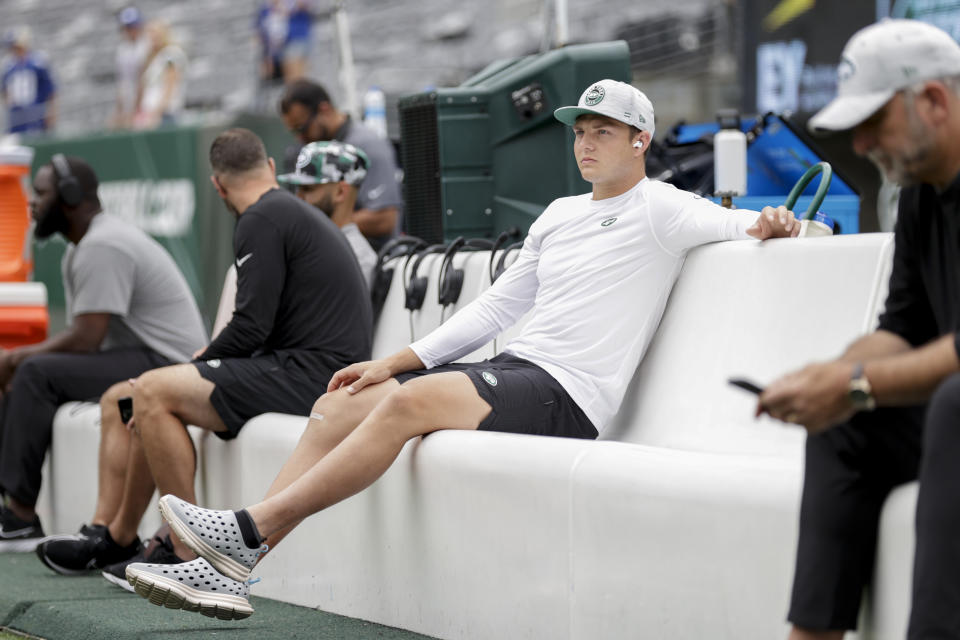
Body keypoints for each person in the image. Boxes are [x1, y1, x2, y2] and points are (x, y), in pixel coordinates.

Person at [124, 79, 799, 620]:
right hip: (517, 369)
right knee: (342, 404)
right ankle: (235, 566)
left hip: (569, 394)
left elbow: (748, 223)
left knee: (407, 405)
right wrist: (395, 359)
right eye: (580, 132)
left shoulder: (664, 206)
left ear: (641, 140)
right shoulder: (560, 214)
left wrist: (780, 222)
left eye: (603, 132)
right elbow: (498, 306)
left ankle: (244, 531)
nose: (586, 144)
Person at [35, 128, 372, 584]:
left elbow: (252, 326)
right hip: (309, 368)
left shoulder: (261, 218)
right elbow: (260, 327)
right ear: (270, 167)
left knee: (152, 390)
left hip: (313, 376)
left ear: (216, 185)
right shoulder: (278, 212)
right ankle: (117, 535)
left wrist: (195, 366)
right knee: (131, 394)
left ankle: (182, 550)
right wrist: (199, 365)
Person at [750, 19, 960, 640]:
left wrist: (857, 383)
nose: (862, 144)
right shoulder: (922, 187)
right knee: (844, 422)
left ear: (934, 100)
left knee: (952, 404)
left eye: (873, 122)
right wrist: (832, 377)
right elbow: (904, 326)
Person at [0, 155, 207, 551]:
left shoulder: (102, 244)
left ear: (71, 196)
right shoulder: (84, 245)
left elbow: (86, 339)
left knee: (32, 372)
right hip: (140, 355)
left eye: (41, 194)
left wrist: (14, 358)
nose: (33, 203)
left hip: (167, 363)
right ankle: (12, 510)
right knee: (25, 372)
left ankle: (21, 516)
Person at [279, 79, 403, 250]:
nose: (299, 138)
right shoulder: (306, 150)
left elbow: (385, 219)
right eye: (294, 131)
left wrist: (316, 224)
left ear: (324, 110)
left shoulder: (368, 145)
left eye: (303, 128)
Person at [277, 140, 377, 287]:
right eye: (298, 189)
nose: (299, 197)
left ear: (340, 192)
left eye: (308, 189)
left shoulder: (358, 258)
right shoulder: (309, 247)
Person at [1, 27, 56, 134]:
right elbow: (4, 90)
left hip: (37, 114)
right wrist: (9, 102)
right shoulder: (8, 65)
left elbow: (51, 91)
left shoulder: (38, 62)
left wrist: (51, 112)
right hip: (16, 116)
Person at [133, 20, 186, 129]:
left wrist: (156, 113)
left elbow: (170, 87)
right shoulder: (151, 57)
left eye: (155, 33)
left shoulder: (171, 53)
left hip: (164, 115)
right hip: (149, 115)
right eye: (149, 33)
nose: (152, 37)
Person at [111, 7, 149, 130]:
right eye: (127, 27)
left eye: (133, 26)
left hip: (146, 101)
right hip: (129, 97)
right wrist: (120, 109)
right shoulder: (122, 49)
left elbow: (143, 78)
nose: (130, 31)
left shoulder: (146, 45)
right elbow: (122, 82)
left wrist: (136, 108)